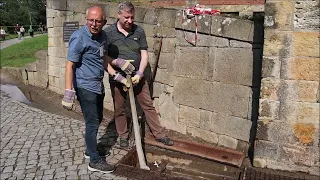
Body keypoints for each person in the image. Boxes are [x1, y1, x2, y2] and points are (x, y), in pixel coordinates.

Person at [62, 6, 135, 173]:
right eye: (91, 20)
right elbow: (69, 64)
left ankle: (90, 149)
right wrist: (68, 92)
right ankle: (94, 161)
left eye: (98, 21)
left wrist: (118, 74)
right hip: (84, 85)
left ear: (104, 22)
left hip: (97, 84)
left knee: (99, 117)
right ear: (86, 19)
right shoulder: (79, 37)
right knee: (92, 122)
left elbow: (102, 59)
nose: (94, 24)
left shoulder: (103, 36)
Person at [104, 1, 174, 148]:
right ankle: (123, 136)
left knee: (147, 105)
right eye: (127, 17)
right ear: (118, 15)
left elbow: (144, 55)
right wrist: (117, 62)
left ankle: (159, 134)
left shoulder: (139, 31)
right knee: (120, 108)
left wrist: (140, 73)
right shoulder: (108, 33)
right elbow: (104, 58)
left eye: (132, 17)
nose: (130, 21)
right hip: (118, 78)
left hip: (137, 77)